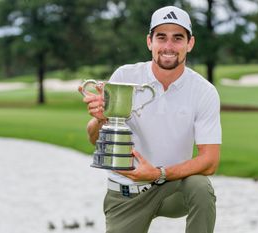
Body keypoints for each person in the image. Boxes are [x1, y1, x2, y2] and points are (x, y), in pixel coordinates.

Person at [80, 5, 222, 233]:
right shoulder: (125, 76)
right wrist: (99, 120)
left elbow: (210, 161)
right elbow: (94, 139)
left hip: (172, 189)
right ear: (149, 42)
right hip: (127, 194)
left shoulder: (204, 91)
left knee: (200, 186)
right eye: (161, 37)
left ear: (190, 43)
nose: (168, 46)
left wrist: (158, 174)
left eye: (177, 38)